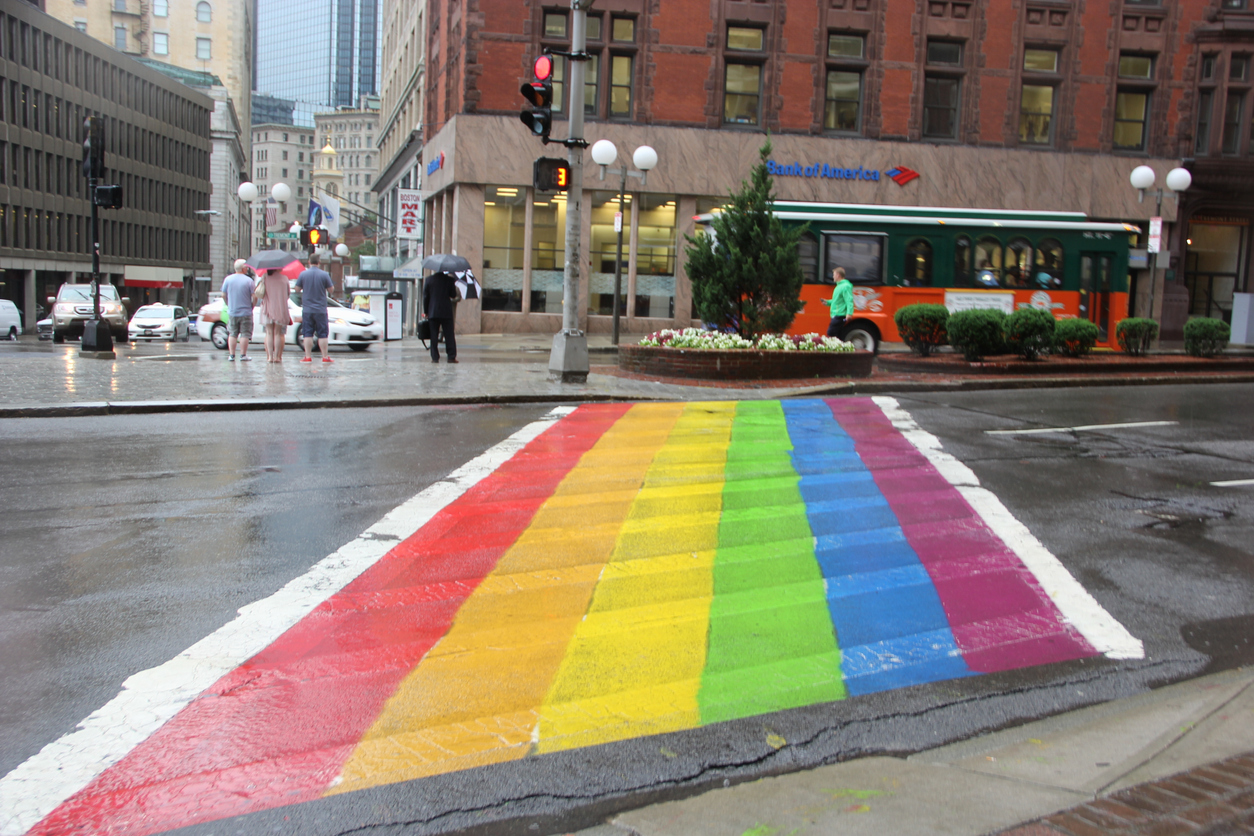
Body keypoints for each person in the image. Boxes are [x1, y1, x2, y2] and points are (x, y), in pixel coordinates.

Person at [295, 252, 334, 363]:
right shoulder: (324, 275)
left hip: (307, 309)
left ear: (309, 262)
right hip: (321, 309)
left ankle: (307, 356)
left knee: (307, 333)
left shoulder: (303, 274)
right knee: (322, 334)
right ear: (319, 262)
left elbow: (297, 289)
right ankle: (325, 357)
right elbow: (331, 290)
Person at [220, 259, 256, 362]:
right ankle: (243, 355)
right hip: (246, 312)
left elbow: (223, 294)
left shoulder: (228, 279)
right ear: (243, 268)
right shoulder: (249, 281)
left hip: (232, 311)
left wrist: (228, 304)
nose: (247, 269)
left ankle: (231, 355)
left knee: (232, 333)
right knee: (245, 334)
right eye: (247, 267)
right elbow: (254, 296)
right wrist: (251, 306)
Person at [423, 270, 459, 363]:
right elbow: (453, 295)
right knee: (449, 335)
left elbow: (426, 297)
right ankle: (451, 356)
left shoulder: (428, 280)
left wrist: (426, 311)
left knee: (433, 335)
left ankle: (435, 357)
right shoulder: (450, 280)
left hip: (433, 311)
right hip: (446, 311)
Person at [258, 267, 291, 363]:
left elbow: (261, 292)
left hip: (267, 308)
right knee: (277, 333)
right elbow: (288, 294)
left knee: (269, 333)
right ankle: (277, 357)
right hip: (280, 308)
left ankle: (270, 357)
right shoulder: (284, 278)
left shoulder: (265, 278)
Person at [824, 267, 853, 338]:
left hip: (840, 314)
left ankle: (833, 348)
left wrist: (849, 313)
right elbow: (837, 300)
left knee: (831, 333)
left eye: (834, 274)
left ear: (838, 275)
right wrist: (827, 302)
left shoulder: (845, 286)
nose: (833, 276)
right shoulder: (839, 286)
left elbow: (849, 300)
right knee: (837, 335)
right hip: (836, 314)